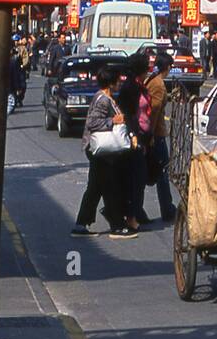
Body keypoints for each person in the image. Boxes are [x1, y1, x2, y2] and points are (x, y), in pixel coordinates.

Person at [72, 68, 135, 238]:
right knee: (110, 188)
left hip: (101, 153)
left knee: (95, 188)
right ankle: (117, 225)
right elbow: (93, 123)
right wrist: (112, 121)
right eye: (117, 81)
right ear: (111, 83)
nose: (119, 84)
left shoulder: (106, 98)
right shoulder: (103, 100)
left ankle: (81, 225)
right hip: (100, 152)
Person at [117, 54, 153, 230]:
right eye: (147, 67)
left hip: (142, 138)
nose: (149, 70)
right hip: (133, 140)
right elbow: (128, 114)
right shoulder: (130, 87)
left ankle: (136, 212)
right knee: (135, 180)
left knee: (140, 178)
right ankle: (131, 216)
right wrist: (134, 135)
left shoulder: (139, 85)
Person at [144, 53, 176, 221]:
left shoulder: (153, 79)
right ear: (168, 67)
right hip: (156, 134)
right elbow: (154, 112)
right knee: (161, 172)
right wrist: (150, 135)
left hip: (154, 133)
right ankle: (167, 208)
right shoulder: (158, 84)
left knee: (155, 172)